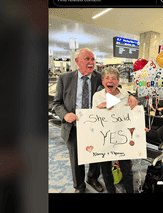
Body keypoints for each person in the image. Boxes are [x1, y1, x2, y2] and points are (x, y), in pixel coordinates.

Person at [53, 48, 138, 193]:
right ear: (77, 61)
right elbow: (56, 103)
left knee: (97, 155)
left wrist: (130, 95)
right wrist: (65, 115)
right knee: (76, 158)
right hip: (73, 124)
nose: (91, 62)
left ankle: (92, 178)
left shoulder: (99, 76)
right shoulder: (65, 78)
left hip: (97, 125)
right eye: (87, 59)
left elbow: (116, 86)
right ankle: (79, 186)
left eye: (93, 59)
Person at [92, 67, 149, 193]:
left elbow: (133, 116)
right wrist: (99, 108)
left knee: (127, 169)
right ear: (102, 81)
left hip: (123, 138)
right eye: (107, 78)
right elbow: (92, 119)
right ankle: (111, 191)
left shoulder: (126, 95)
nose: (110, 80)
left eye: (113, 78)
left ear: (118, 81)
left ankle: (129, 191)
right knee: (106, 170)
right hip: (105, 138)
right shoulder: (97, 96)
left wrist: (140, 127)